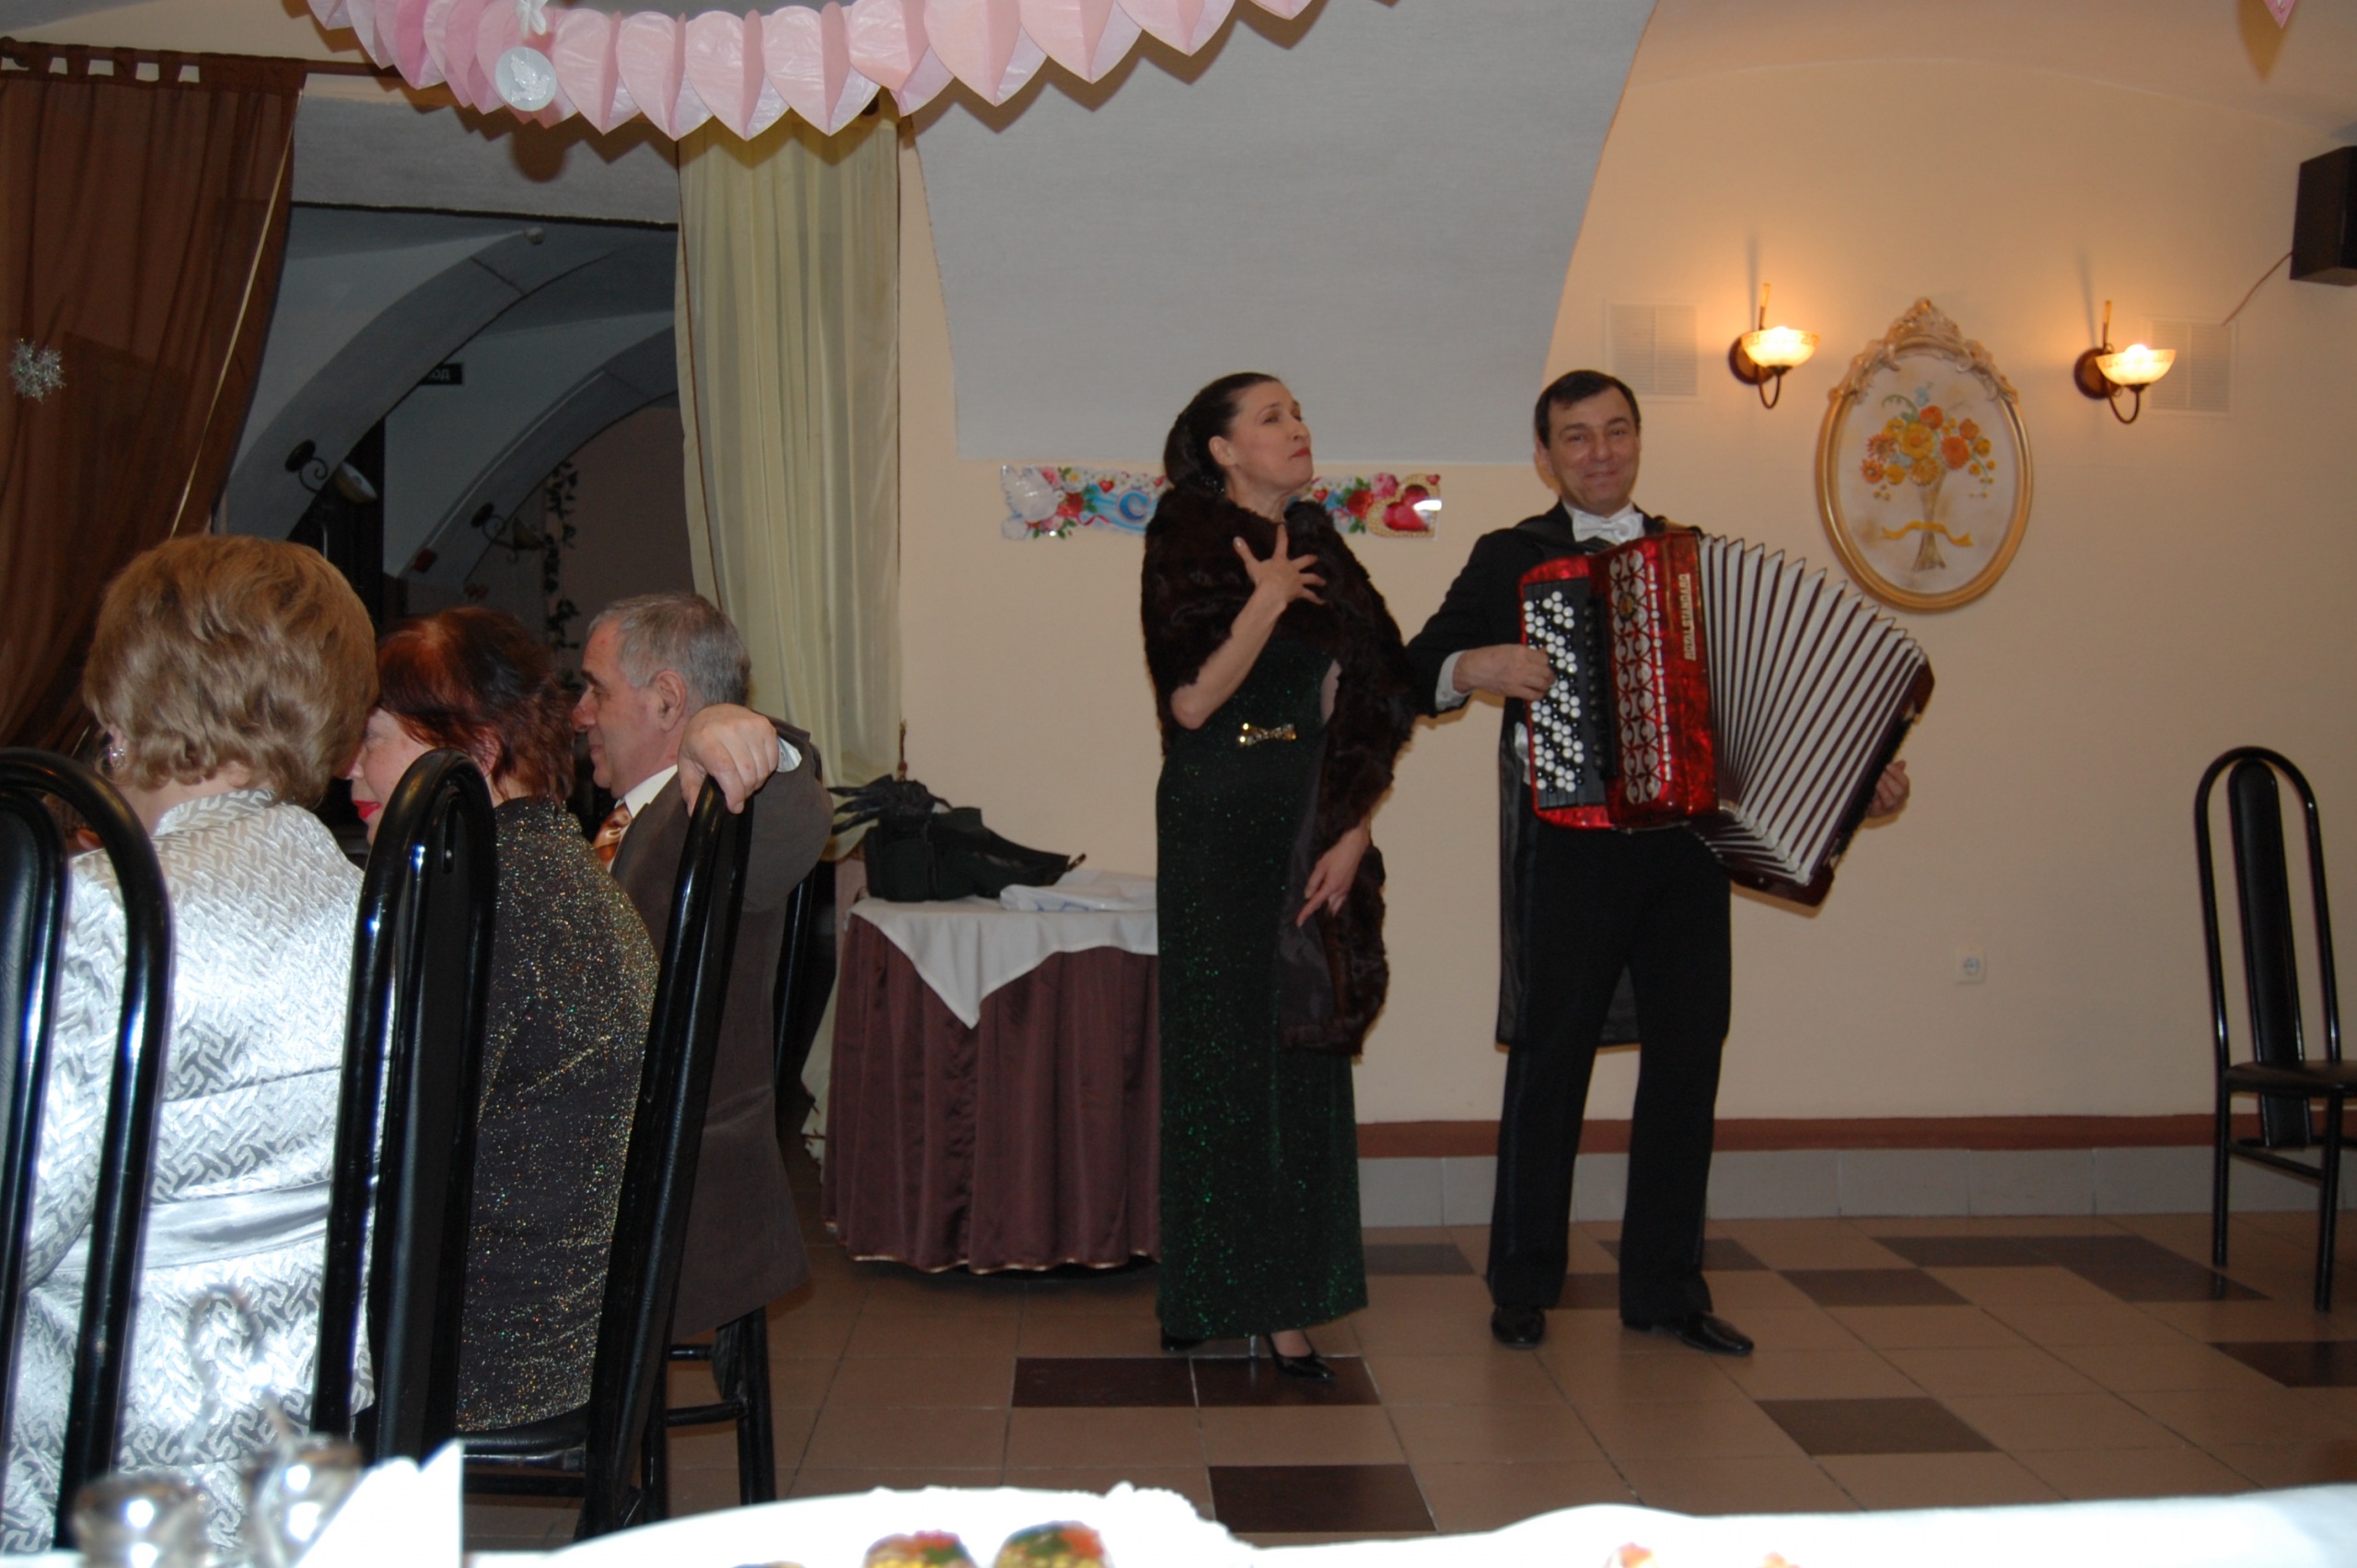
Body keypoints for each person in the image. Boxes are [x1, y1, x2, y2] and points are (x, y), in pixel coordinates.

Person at [1406, 370, 1910, 1355]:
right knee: (1550, 1058)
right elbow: (1415, 668)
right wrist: (1478, 666)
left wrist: (1859, 779)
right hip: (1569, 844)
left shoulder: (1692, 555)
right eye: (1576, 436)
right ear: (1545, 455)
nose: (1599, 452)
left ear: (1638, 440)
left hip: (1684, 849)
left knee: (1689, 1055)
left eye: (1616, 431)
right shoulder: (1512, 555)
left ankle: (1667, 1289)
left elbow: (1763, 702)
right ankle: (1523, 1281)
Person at [3, 537, 375, 1552]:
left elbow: (16, 1217)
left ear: (122, 705)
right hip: (315, 1437)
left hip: (102, 1458)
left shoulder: (100, 913)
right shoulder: (372, 906)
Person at [1140, 374, 1417, 1377]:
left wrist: (1354, 825)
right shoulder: (1183, 536)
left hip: (1308, 819)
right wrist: (1263, 600)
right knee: (1218, 1054)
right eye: (1271, 417)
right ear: (1221, 449)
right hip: (1217, 813)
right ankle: (1208, 1286)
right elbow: (1190, 703)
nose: (1297, 428)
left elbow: (1377, 693)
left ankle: (1292, 1302)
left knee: (1302, 1044)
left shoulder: (1319, 539)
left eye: (1297, 412)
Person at [346, 607, 657, 1430]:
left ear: (478, 750)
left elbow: (397, 1145)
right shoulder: (545, 860)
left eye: (374, 737)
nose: (350, 768)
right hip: (557, 1323)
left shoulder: (497, 898)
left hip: (491, 1345)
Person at [571, 592, 830, 1386]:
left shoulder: (708, 814)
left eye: (595, 689)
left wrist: (755, 738)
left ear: (668, 699)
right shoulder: (627, 821)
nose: (580, 714)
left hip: (663, 1186)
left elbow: (793, 812)